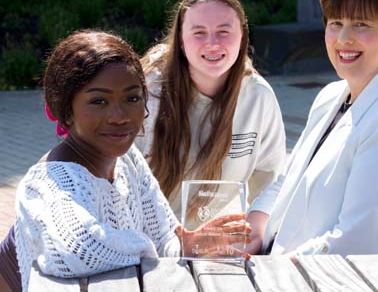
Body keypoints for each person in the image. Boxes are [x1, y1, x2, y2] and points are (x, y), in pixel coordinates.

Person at [13, 30, 250, 291]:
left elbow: (164, 238)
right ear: (66, 110)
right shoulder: (47, 184)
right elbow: (80, 251)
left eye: (132, 98)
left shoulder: (129, 160)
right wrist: (150, 248)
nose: (119, 116)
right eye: (99, 101)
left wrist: (188, 245)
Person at [248, 0, 378, 256]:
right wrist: (252, 230)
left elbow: (354, 241)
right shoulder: (331, 95)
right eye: (336, 23)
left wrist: (273, 270)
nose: (343, 38)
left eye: (361, 25)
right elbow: (289, 182)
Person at [135, 0, 286, 248]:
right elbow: (118, 177)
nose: (213, 43)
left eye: (224, 31)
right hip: (149, 243)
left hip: (217, 248)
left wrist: (256, 231)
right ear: (181, 40)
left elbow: (271, 178)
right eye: (199, 32)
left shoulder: (258, 97)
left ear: (243, 36)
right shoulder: (149, 92)